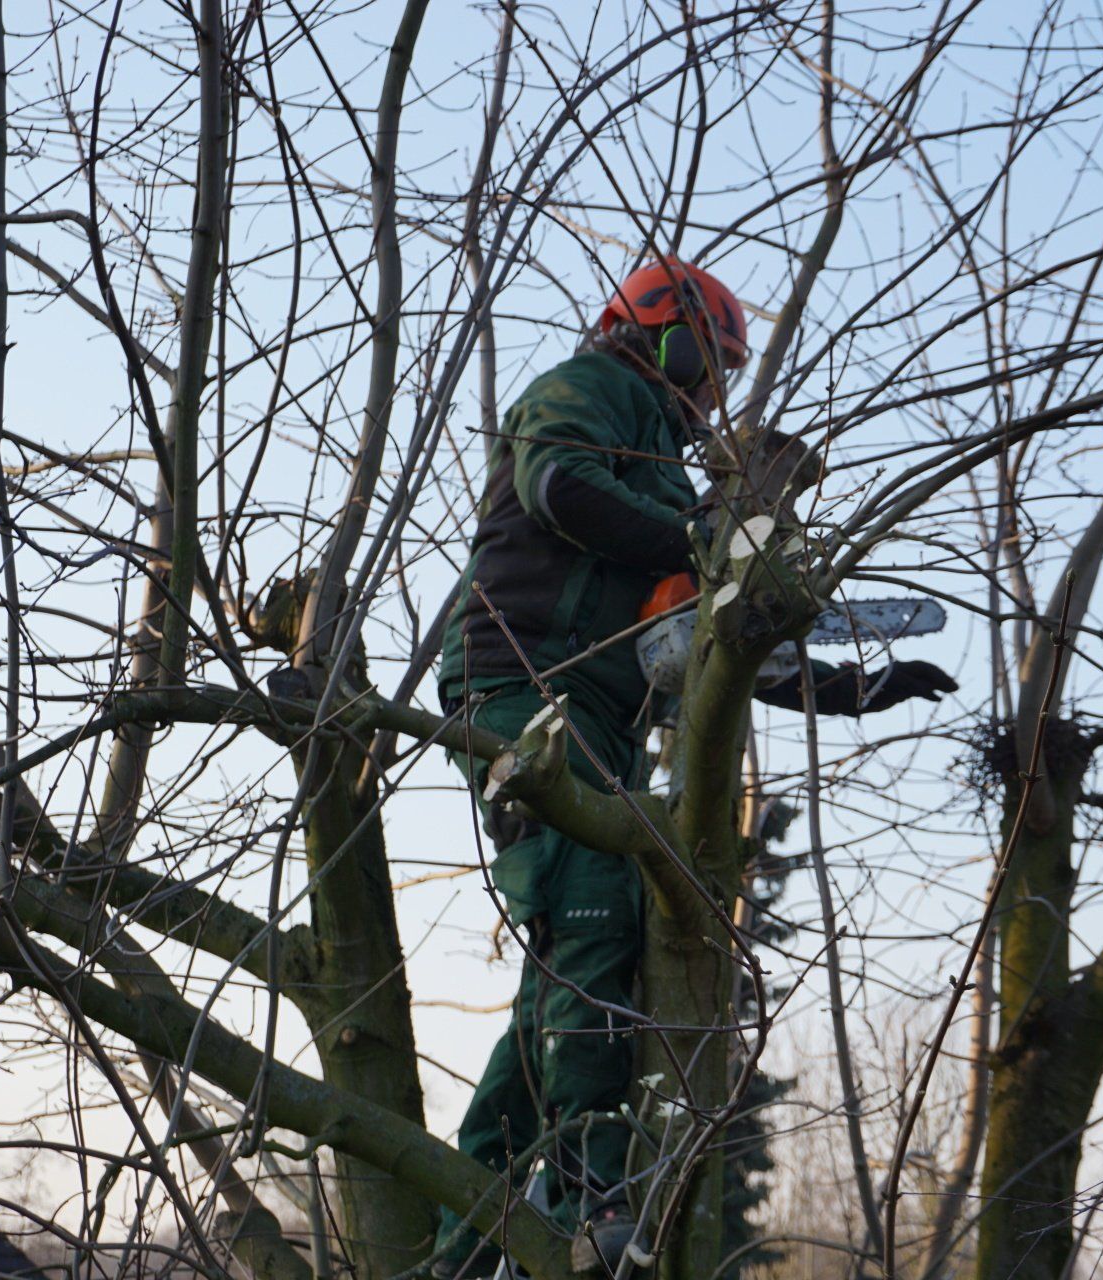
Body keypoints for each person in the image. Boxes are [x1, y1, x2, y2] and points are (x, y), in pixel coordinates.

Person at [433, 259, 955, 1277]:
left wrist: (847, 685)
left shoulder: (670, 468)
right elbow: (558, 486)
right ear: (665, 331)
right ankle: (590, 1185)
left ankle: (463, 1242)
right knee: (591, 919)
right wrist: (701, 532)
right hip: (529, 680)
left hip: (601, 706)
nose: (716, 387)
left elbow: (704, 641)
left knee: (567, 967)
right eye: (713, 360)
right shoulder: (594, 392)